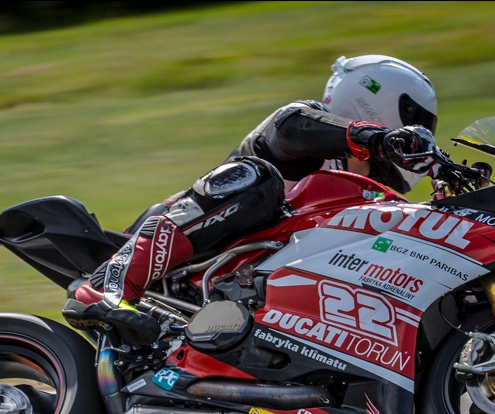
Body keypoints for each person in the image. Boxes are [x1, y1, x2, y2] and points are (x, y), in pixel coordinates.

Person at [63, 54, 441, 345]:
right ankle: (106, 284)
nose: (421, 134)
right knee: (259, 178)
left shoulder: (364, 196)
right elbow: (292, 129)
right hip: (189, 256)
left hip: (249, 292)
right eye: (417, 122)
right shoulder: (302, 124)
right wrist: (375, 138)